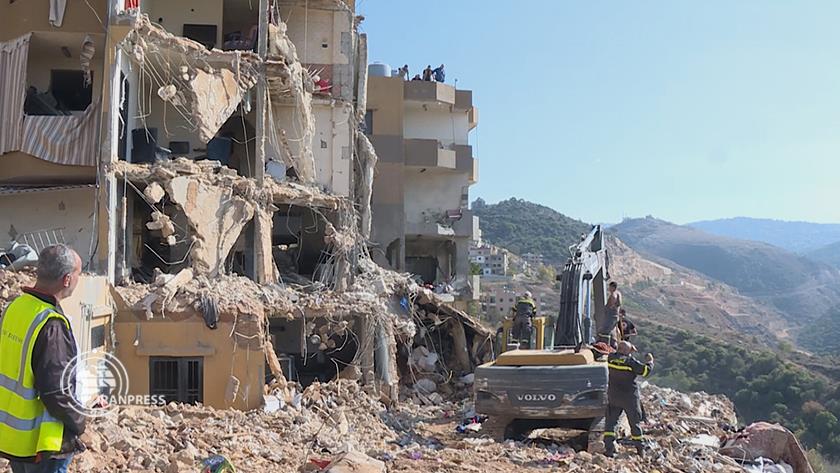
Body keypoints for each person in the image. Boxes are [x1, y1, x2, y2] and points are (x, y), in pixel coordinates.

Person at [0, 245, 86, 473]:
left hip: (14, 440)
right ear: (67, 279)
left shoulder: (15, 307)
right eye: (79, 273)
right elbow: (56, 391)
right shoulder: (51, 325)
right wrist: (78, 422)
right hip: (43, 444)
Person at [603, 341, 654, 457]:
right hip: (629, 398)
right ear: (627, 351)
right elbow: (645, 371)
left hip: (614, 396)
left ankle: (609, 449)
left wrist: (628, 349)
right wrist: (650, 361)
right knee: (634, 423)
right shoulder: (630, 362)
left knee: (610, 423)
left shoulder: (610, 358)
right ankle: (640, 450)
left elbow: (618, 355)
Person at [598, 281, 622, 346]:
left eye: (610, 287)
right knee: (611, 332)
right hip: (615, 316)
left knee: (605, 331)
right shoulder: (618, 293)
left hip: (611, 316)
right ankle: (612, 345)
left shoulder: (613, 294)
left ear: (613, 287)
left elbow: (614, 301)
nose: (609, 288)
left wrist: (610, 307)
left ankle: (605, 346)